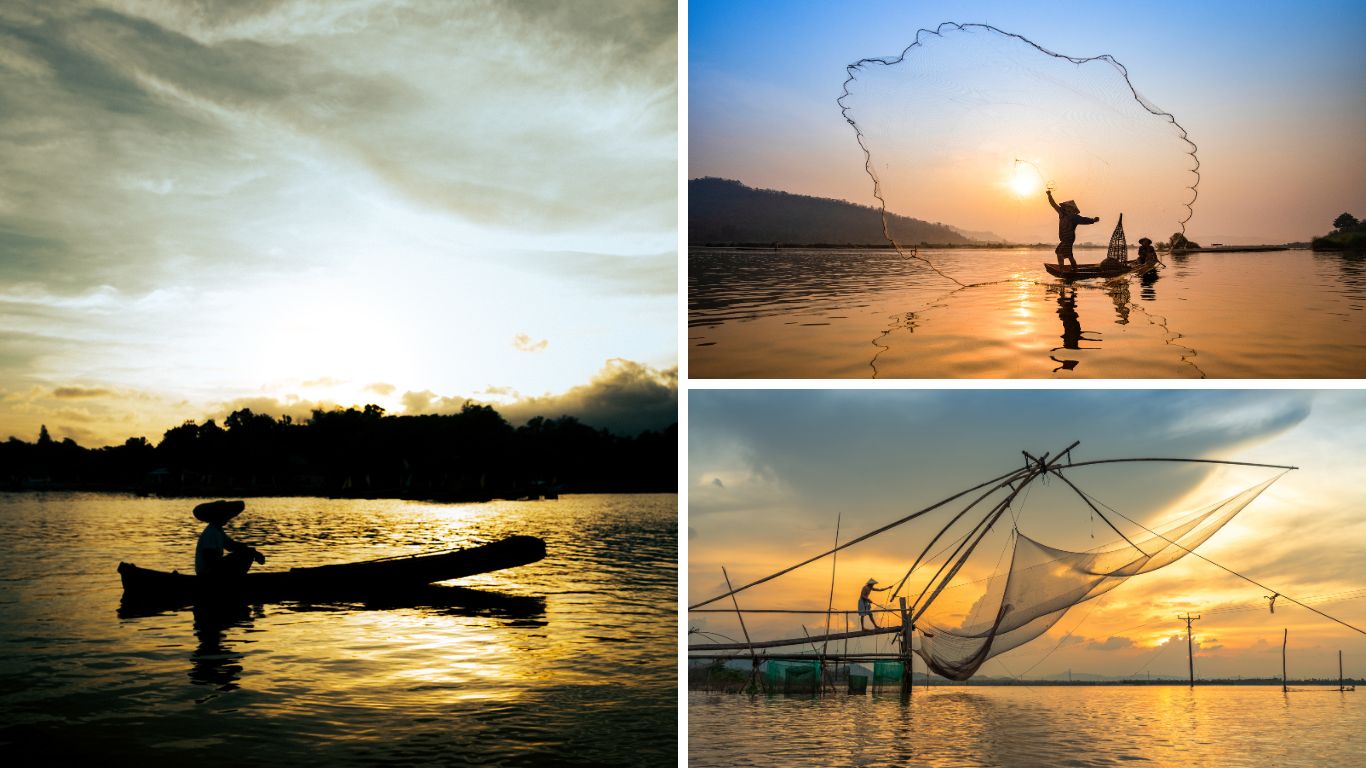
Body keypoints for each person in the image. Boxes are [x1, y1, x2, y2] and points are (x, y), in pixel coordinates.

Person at [194, 500, 265, 580]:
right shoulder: (211, 533)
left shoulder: (218, 530)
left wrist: (253, 552)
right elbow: (210, 560)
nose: (227, 518)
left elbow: (231, 546)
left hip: (212, 571)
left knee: (247, 552)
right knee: (246, 554)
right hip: (207, 574)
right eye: (224, 515)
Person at [1047, 189, 1100, 270]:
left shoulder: (1074, 217)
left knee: (1060, 252)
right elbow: (1053, 204)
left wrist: (1093, 220)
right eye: (1066, 207)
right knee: (1067, 254)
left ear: (1071, 209)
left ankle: (1062, 270)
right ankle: (1075, 269)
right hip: (1064, 239)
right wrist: (1049, 195)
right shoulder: (1062, 214)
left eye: (1068, 208)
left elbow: (1084, 220)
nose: (1066, 209)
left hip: (1069, 238)